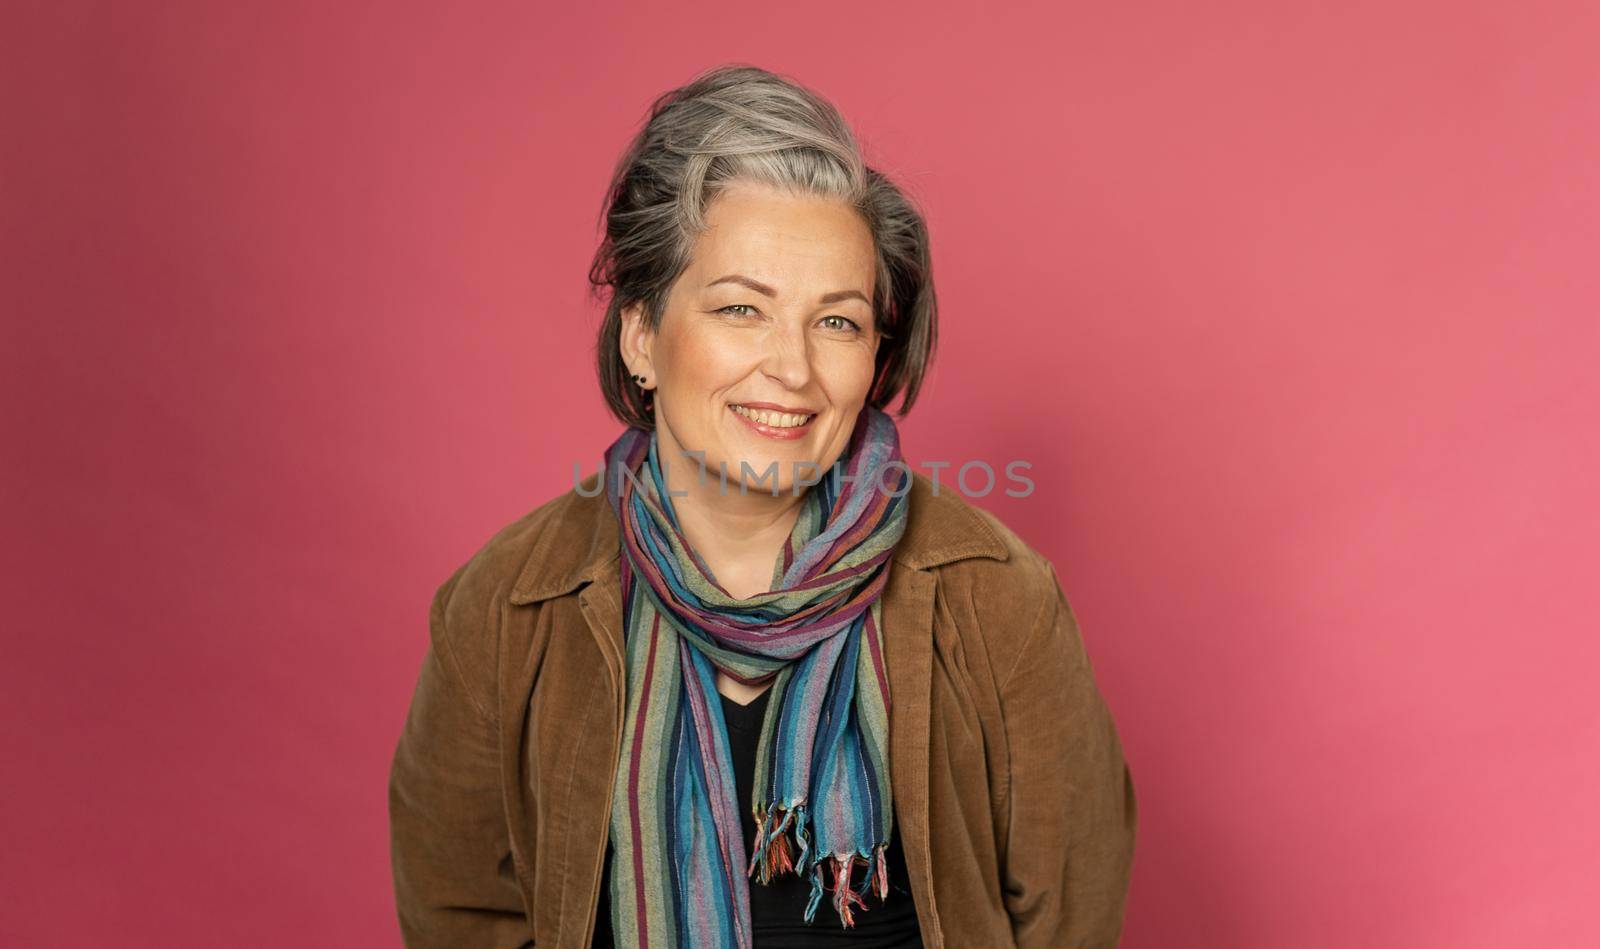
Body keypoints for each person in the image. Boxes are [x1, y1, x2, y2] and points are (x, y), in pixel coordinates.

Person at [389, 63, 1136, 949]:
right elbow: (463, 915)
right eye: (743, 308)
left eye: (838, 321)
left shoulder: (997, 599)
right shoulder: (508, 609)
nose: (792, 368)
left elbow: (1070, 915)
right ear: (641, 336)